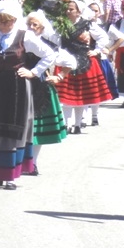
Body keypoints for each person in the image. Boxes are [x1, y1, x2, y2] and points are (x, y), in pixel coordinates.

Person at [0, 0, 55, 188]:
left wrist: (33, 72)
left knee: (13, 129)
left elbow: (49, 54)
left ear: (15, 20)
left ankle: (10, 175)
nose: (5, 25)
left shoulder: (26, 37)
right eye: (1, 21)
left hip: (17, 87)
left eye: (9, 21)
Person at [23, 11, 73, 173]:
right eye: (29, 24)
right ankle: (22, 160)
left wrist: (59, 76)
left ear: (42, 28)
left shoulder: (48, 45)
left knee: (37, 127)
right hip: (20, 84)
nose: (31, 27)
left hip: (40, 86)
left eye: (35, 25)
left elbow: (70, 62)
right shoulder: (20, 41)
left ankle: (33, 162)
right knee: (22, 125)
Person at [53, 0, 112, 133]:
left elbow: (103, 37)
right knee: (67, 96)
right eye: (67, 9)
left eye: (71, 9)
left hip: (83, 61)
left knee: (80, 95)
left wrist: (96, 50)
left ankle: (78, 124)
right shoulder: (62, 24)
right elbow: (55, 40)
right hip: (66, 60)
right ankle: (67, 124)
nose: (68, 11)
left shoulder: (87, 24)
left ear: (79, 12)